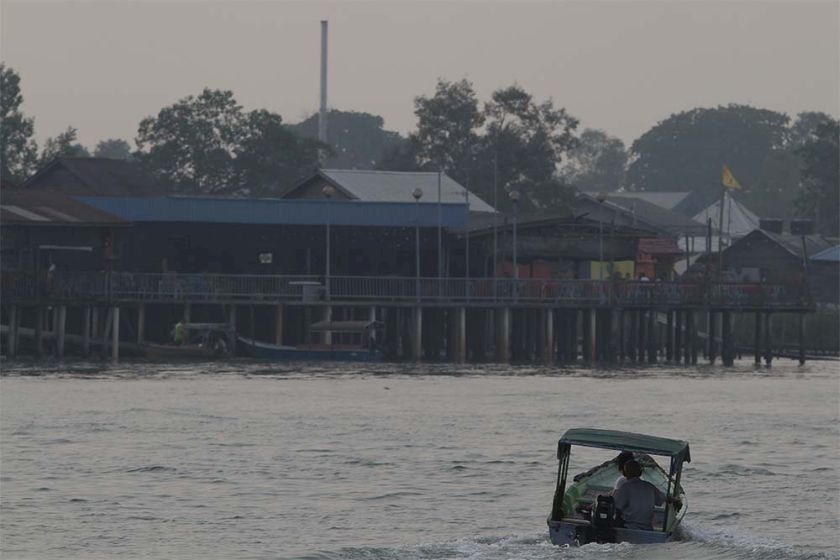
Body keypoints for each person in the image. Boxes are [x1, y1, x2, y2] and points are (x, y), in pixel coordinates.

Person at [612, 459, 666, 530]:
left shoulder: (625, 488)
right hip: (648, 528)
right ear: (640, 473)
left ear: (625, 474)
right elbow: (661, 500)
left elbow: (615, 506)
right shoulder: (650, 486)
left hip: (628, 527)